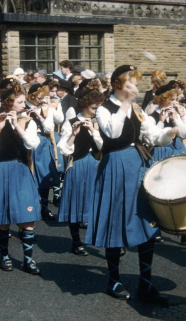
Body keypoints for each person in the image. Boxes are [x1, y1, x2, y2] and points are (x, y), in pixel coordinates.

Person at [88, 64, 180, 303]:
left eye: (136, 84)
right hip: (115, 167)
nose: (136, 88)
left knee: (146, 224)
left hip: (138, 165)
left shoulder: (139, 110)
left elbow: (153, 137)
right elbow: (113, 132)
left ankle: (146, 284)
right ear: (119, 84)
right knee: (115, 223)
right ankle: (114, 281)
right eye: (132, 83)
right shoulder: (103, 109)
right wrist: (126, 104)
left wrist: (170, 131)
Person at [0, 81, 42, 274]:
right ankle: (5, 256)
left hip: (22, 169)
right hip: (1, 169)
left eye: (24, 101)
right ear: (9, 103)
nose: (24, 105)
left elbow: (32, 144)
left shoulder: (27, 121)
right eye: (20, 102)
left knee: (27, 216)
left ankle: (28, 259)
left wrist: (17, 125)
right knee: (3, 217)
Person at [57, 89, 105, 255]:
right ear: (84, 106)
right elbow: (63, 149)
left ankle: (99, 240)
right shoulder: (71, 122)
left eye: (98, 108)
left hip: (95, 165)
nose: (96, 111)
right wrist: (74, 134)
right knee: (75, 203)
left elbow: (104, 147)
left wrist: (94, 131)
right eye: (93, 108)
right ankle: (76, 241)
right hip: (77, 165)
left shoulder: (99, 123)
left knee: (96, 203)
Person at [26, 83, 63, 220]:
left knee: (45, 176)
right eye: (38, 97)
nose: (41, 100)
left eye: (43, 97)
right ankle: (31, 207)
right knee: (30, 176)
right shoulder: (23, 107)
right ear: (31, 95)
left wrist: (39, 115)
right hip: (28, 143)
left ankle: (45, 208)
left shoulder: (45, 108)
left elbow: (49, 128)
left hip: (43, 142)